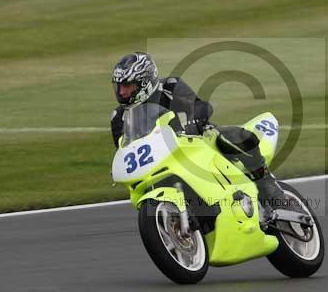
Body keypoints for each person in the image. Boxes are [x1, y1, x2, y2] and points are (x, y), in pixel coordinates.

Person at [110, 52, 286, 210]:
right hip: (161, 159)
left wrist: (193, 120)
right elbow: (124, 148)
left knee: (234, 137)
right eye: (119, 86)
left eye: (128, 86)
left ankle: (266, 181)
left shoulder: (171, 87)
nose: (122, 92)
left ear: (145, 82)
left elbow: (201, 107)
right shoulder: (119, 117)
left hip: (195, 140)